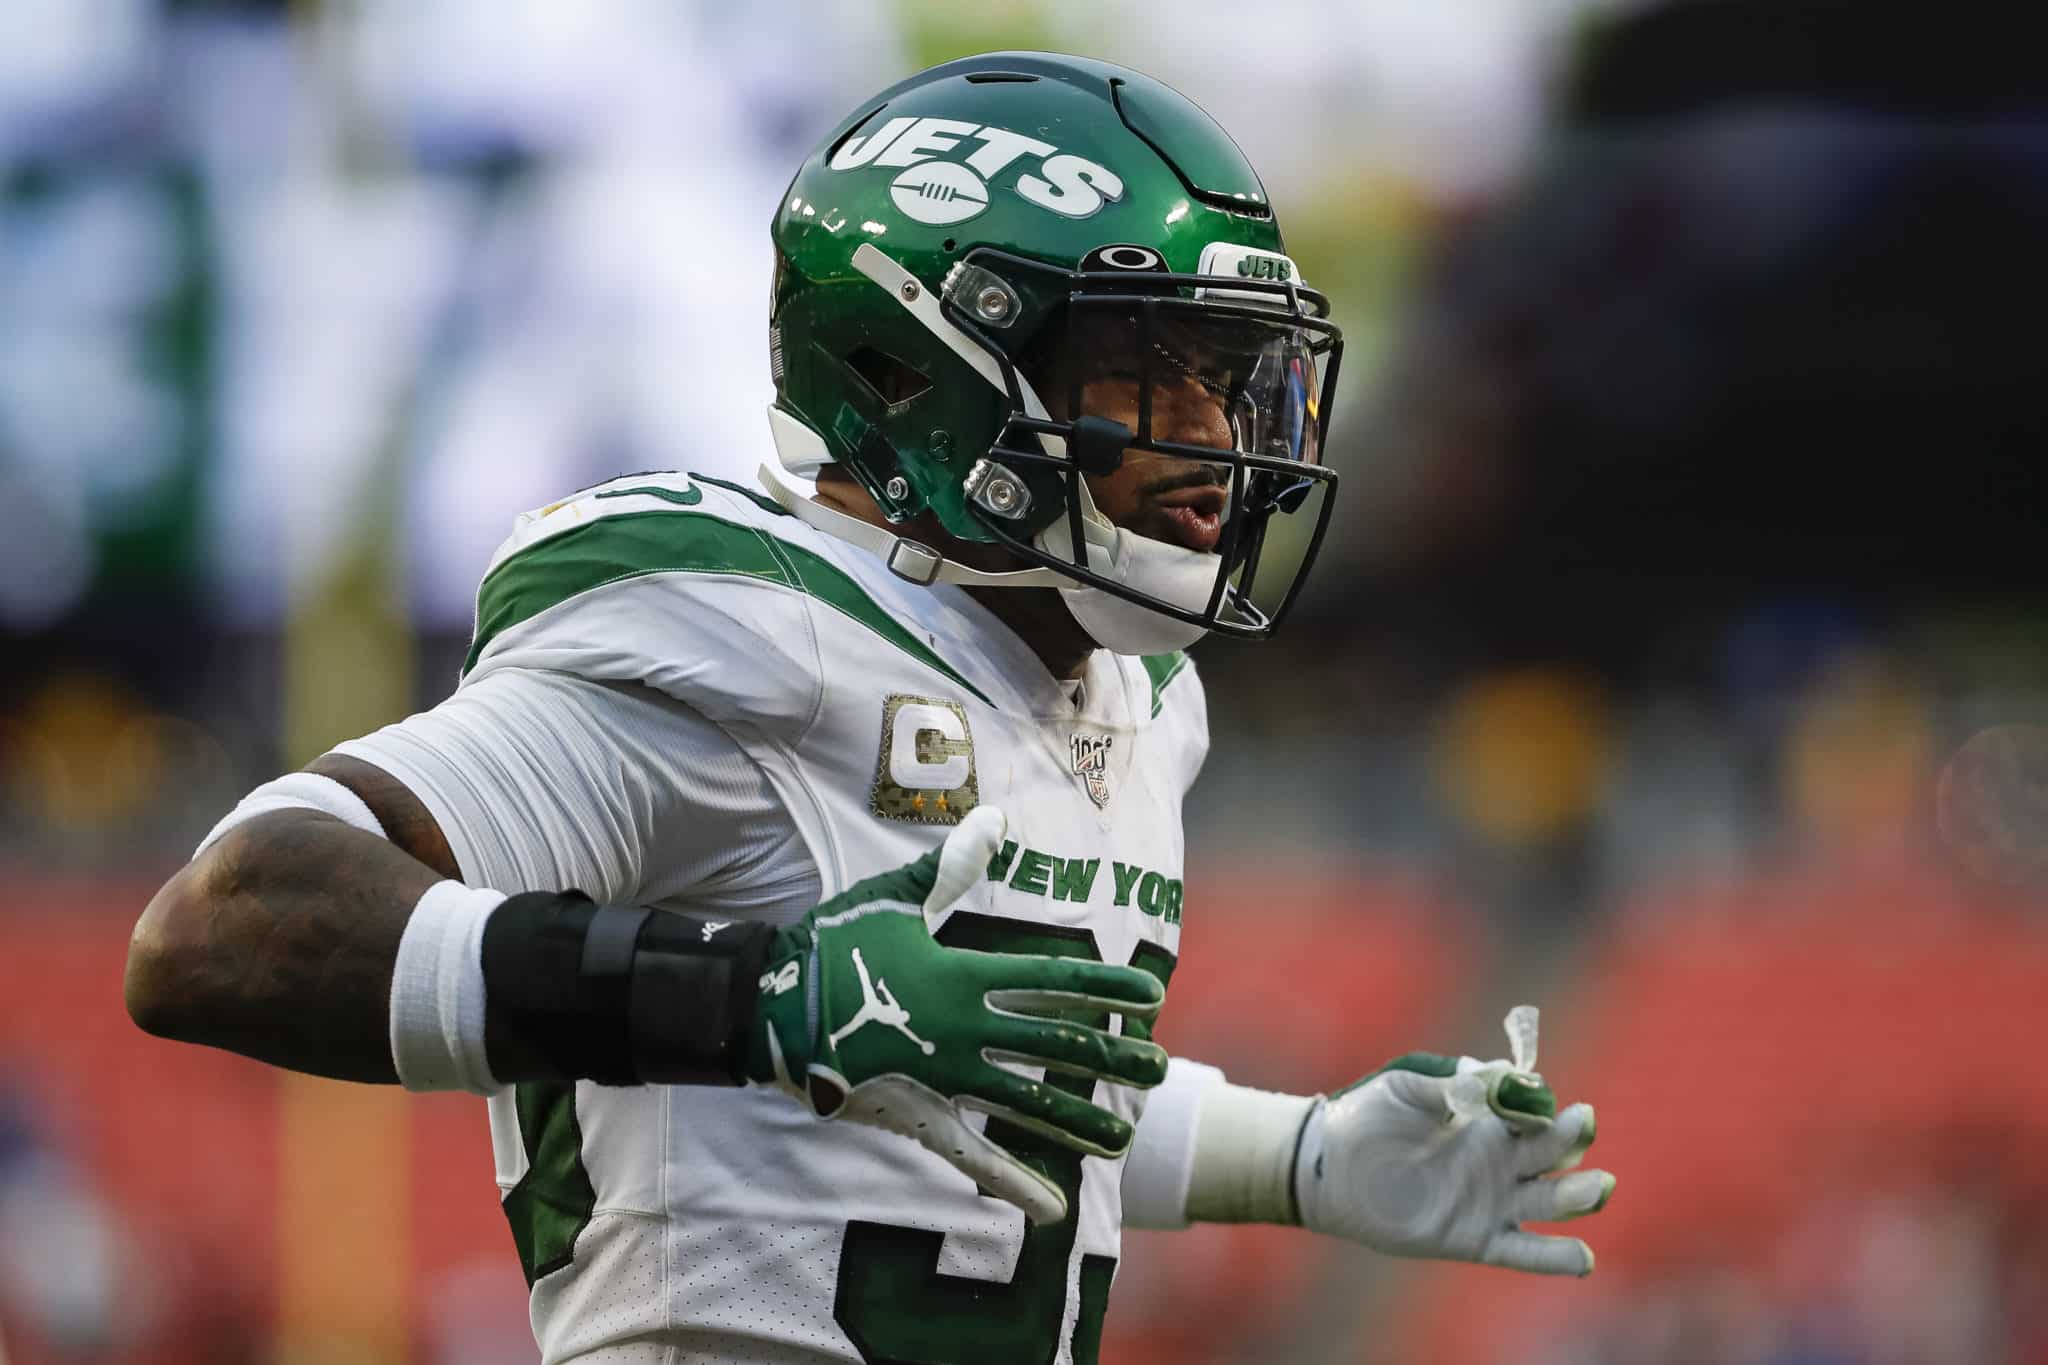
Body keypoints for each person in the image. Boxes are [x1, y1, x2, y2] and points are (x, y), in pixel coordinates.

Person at [123, 52, 1613, 1365]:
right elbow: (227, 926)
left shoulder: (1139, 695)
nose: (1223, 446)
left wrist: (1301, 1155)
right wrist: (762, 995)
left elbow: (980, 1100)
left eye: (1237, 384)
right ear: (925, 371)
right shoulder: (738, 622)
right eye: (1154, 379)